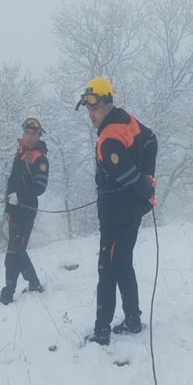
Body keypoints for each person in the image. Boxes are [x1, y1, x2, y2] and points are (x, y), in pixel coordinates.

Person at [76, 77, 157, 345]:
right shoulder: (126, 120)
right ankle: (133, 320)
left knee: (107, 268)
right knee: (123, 264)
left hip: (117, 215)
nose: (90, 114)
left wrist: (145, 187)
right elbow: (151, 140)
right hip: (130, 210)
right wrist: (148, 177)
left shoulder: (108, 139)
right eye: (88, 109)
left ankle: (102, 331)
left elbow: (123, 172)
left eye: (94, 108)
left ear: (108, 103)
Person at [0, 117, 49, 305]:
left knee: (13, 253)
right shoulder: (20, 152)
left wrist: (20, 196)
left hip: (27, 210)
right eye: (26, 132)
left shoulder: (40, 158)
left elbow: (40, 187)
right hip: (14, 208)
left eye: (33, 134)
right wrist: (8, 208)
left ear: (38, 135)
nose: (28, 137)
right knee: (18, 249)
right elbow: (12, 181)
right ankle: (34, 284)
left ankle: (8, 293)